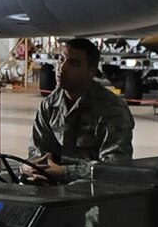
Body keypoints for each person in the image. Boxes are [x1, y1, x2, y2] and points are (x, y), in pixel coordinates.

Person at [28, 36, 135, 181]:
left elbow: (115, 166)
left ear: (91, 71)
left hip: (93, 190)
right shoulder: (50, 105)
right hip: (53, 184)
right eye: (61, 59)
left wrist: (64, 173)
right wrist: (31, 167)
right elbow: (37, 152)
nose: (62, 68)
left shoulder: (111, 109)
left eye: (74, 64)